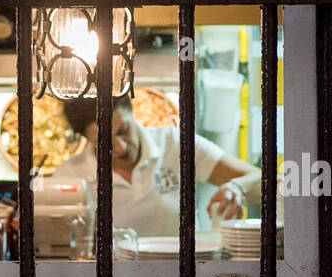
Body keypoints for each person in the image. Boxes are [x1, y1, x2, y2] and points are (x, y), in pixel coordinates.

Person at [54, 95, 261, 239]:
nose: (120, 147)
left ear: (132, 112)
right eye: (103, 141)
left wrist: (238, 187)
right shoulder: (69, 176)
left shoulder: (174, 143)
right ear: (87, 139)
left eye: (123, 130)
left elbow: (263, 181)